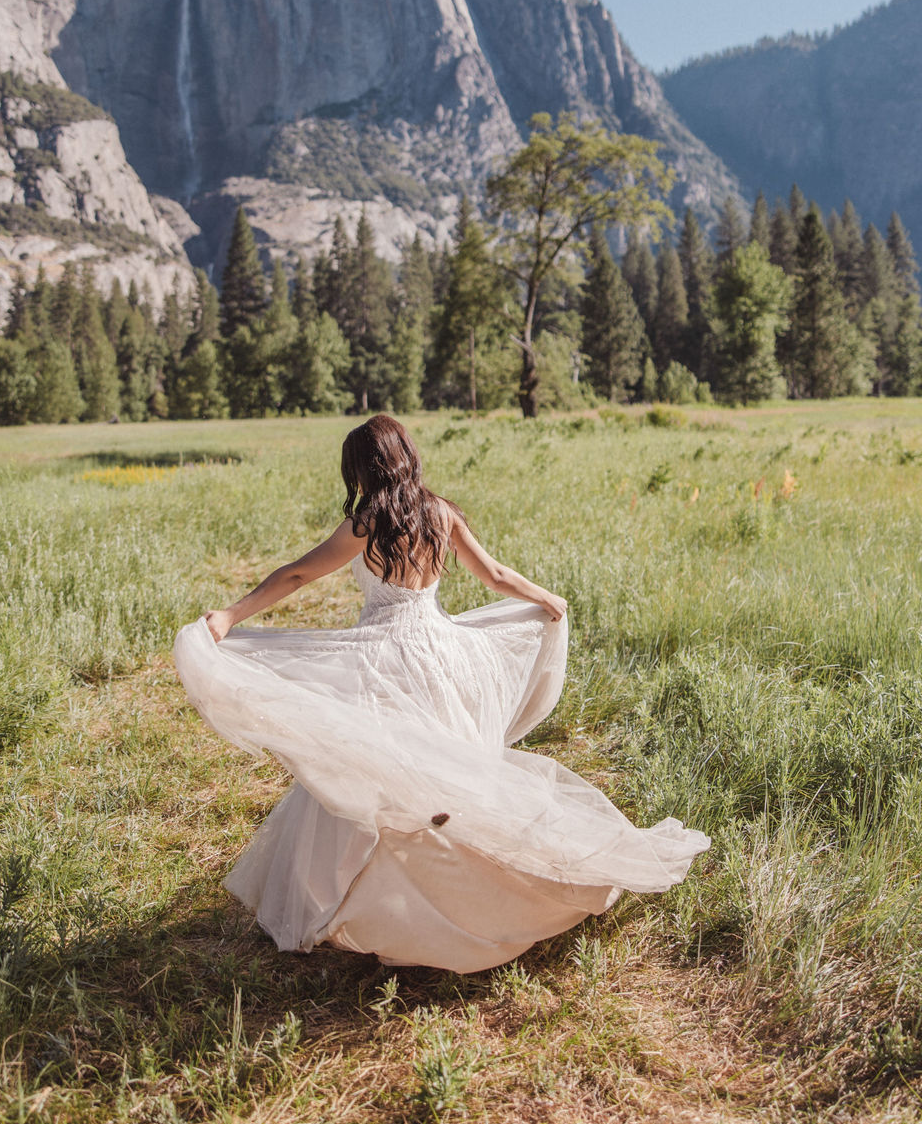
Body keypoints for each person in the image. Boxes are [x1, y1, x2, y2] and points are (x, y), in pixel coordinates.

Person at [173, 414, 709, 973]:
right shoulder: (439, 513)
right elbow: (497, 575)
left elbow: (297, 576)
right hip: (442, 657)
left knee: (380, 774)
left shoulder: (366, 523)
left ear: (362, 469)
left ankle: (385, 905)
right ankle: (470, 887)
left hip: (386, 659)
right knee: (448, 779)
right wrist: (547, 598)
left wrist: (233, 614)